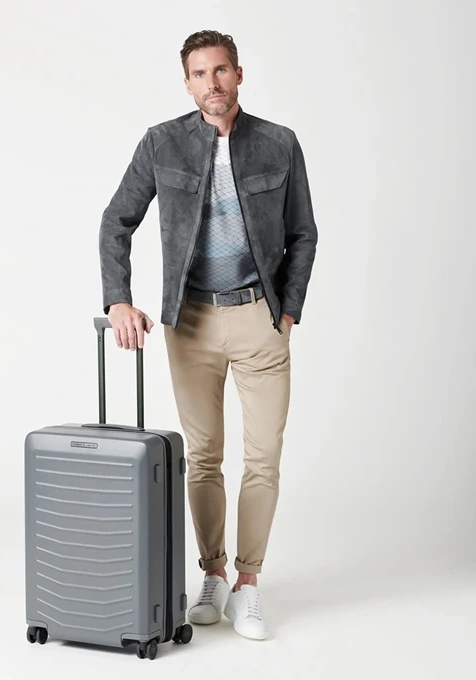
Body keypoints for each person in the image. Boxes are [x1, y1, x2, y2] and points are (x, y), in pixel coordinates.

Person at [98, 30, 318, 640]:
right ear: (187, 82)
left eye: (220, 70)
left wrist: (288, 310)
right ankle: (214, 574)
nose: (211, 83)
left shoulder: (278, 143)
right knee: (203, 458)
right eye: (199, 73)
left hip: (259, 318)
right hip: (190, 322)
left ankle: (249, 584)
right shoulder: (161, 142)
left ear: (238, 74)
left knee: (263, 458)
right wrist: (119, 299)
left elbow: (303, 232)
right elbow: (116, 221)